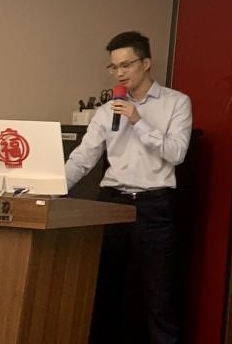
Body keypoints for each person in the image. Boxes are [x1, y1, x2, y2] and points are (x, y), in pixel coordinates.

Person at [65, 31, 193, 344]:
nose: (119, 73)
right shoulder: (107, 110)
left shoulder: (176, 102)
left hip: (154, 206)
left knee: (159, 296)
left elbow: (176, 153)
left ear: (146, 63)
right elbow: (83, 158)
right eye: (114, 67)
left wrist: (138, 120)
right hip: (111, 204)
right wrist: (52, 187)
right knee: (103, 292)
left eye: (126, 65)